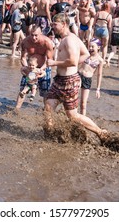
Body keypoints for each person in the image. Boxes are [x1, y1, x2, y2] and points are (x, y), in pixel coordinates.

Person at [44, 13, 108, 142]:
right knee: (48, 106)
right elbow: (85, 53)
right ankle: (50, 135)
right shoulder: (69, 38)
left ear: (64, 24)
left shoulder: (69, 40)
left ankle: (100, 133)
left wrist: (54, 63)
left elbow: (73, 61)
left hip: (69, 81)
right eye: (52, 24)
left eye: (55, 24)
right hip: (59, 80)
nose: (53, 27)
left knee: (72, 115)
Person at [16, 24, 53, 109]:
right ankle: (16, 109)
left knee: (46, 92)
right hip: (30, 68)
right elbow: (23, 58)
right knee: (23, 90)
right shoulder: (25, 42)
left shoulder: (47, 42)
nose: (33, 38)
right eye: (32, 35)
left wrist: (40, 70)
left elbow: (50, 60)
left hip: (44, 68)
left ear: (41, 34)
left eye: (36, 35)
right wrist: (26, 67)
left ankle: (46, 111)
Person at [78, 38, 104, 116]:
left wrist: (98, 89)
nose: (90, 48)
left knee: (83, 103)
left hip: (87, 79)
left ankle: (82, 120)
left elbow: (99, 75)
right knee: (74, 99)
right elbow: (76, 63)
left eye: (93, 47)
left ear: (98, 47)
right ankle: (73, 117)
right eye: (89, 46)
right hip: (79, 76)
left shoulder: (100, 60)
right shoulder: (86, 54)